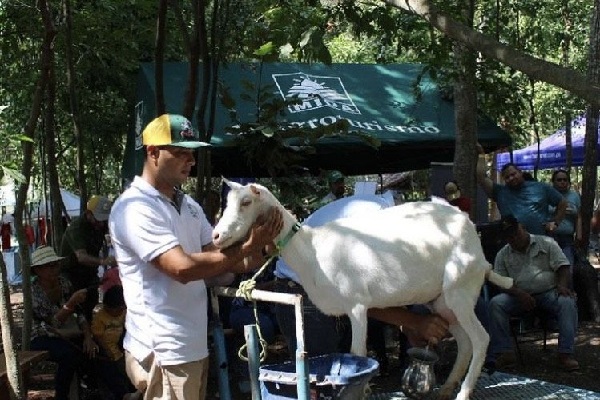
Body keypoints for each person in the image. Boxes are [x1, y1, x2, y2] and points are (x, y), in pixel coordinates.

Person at [109, 113, 283, 400]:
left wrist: (263, 249)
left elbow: (219, 264)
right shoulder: (135, 207)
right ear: (153, 152)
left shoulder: (188, 205)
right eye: (180, 154)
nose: (190, 161)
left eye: (192, 155)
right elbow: (182, 268)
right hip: (163, 349)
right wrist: (249, 246)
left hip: (191, 344)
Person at [273, 194, 450, 370]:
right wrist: (414, 322)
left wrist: (407, 323)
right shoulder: (381, 222)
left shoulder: (381, 212)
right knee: (320, 376)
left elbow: (372, 292)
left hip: (321, 289)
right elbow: (358, 299)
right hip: (301, 292)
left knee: (341, 374)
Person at [486, 215, 579, 371]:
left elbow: (563, 266)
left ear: (522, 227)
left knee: (567, 302)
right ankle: (504, 351)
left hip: (549, 291)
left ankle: (566, 353)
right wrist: (519, 294)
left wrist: (562, 285)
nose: (514, 238)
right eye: (509, 236)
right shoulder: (503, 254)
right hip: (518, 296)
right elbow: (501, 282)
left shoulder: (547, 243)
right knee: (496, 303)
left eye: (516, 233)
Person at [29, 246, 98, 400]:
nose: (54, 269)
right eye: (49, 266)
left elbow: (80, 313)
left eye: (56, 264)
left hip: (67, 332)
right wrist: (71, 303)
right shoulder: (34, 292)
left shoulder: (64, 283)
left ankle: (95, 389)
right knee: (69, 355)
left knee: (95, 348)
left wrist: (88, 336)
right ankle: (62, 396)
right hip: (42, 335)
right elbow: (53, 324)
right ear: (38, 270)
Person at [476, 144, 567, 235]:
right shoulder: (500, 192)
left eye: (513, 174)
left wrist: (555, 223)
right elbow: (481, 177)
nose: (511, 178)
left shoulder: (541, 187)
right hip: (513, 242)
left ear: (520, 172)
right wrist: (481, 154)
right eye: (507, 177)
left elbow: (562, 202)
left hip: (540, 240)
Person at [60, 195, 118, 322]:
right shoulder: (76, 228)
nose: (101, 223)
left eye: (104, 220)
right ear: (88, 214)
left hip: (90, 274)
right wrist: (103, 261)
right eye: (98, 219)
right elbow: (81, 257)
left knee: (91, 306)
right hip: (71, 275)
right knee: (75, 310)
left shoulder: (100, 226)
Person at [91, 285, 139, 400]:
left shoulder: (124, 313)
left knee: (126, 371)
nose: (112, 312)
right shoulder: (100, 317)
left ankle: (134, 391)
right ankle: (122, 394)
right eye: (108, 309)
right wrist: (107, 351)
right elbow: (99, 337)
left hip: (121, 349)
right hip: (106, 351)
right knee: (111, 372)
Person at [549, 169, 581, 267]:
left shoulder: (574, 196)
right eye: (559, 180)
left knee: (568, 268)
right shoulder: (547, 195)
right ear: (553, 181)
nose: (562, 182)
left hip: (567, 239)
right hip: (550, 238)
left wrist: (579, 236)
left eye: (565, 180)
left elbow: (578, 217)